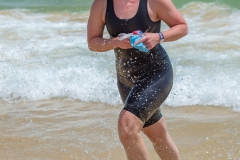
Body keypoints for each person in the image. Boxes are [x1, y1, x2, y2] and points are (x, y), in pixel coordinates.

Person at [87, 0, 188, 159]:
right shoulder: (101, 4)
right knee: (157, 135)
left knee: (126, 127)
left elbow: (182, 27)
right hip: (126, 79)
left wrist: (158, 36)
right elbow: (93, 43)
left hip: (155, 73)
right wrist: (116, 42)